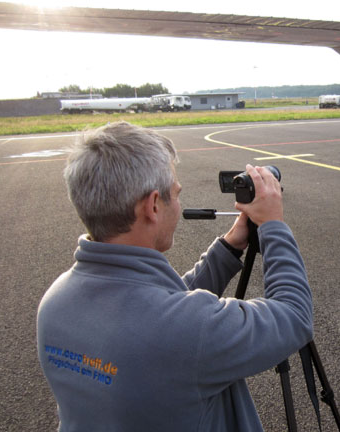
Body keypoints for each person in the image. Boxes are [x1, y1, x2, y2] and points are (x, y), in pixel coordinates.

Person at [37, 121, 313, 431]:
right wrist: (274, 225)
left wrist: (228, 247)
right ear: (153, 205)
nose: (178, 204)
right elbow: (294, 315)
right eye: (176, 194)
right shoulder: (185, 329)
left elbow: (155, 311)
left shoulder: (55, 302)